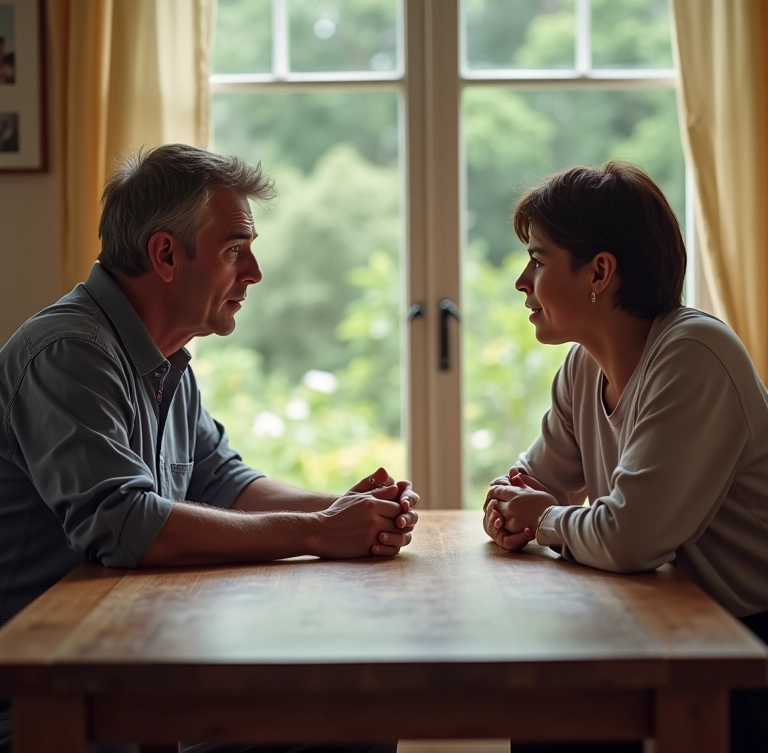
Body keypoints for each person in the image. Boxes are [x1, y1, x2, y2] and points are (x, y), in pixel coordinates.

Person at [0, 143, 419, 753]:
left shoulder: (165, 358)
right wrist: (317, 531)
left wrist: (343, 511)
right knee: (348, 716)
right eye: (234, 250)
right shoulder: (69, 353)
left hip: (133, 680)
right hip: (47, 708)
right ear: (166, 255)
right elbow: (121, 524)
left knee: (357, 706)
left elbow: (225, 481)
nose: (255, 272)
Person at [483, 161, 768, 753]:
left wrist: (540, 518)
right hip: (666, 622)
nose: (521, 282)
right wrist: (510, 508)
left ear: (600, 272)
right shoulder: (583, 366)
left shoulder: (694, 355)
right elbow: (530, 481)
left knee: (560, 716)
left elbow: (629, 539)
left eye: (537, 261)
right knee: (547, 707)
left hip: (746, 643)